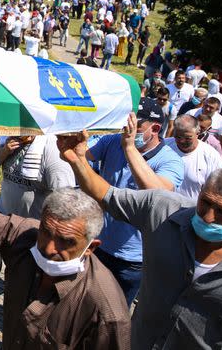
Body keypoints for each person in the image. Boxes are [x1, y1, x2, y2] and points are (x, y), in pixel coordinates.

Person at [57, 132, 222, 349]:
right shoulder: (163, 210)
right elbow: (106, 194)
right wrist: (78, 159)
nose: (208, 217)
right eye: (206, 203)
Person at [0, 137, 131, 349]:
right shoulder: (24, 236)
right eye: (45, 231)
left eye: (66, 241)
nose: (49, 248)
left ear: (91, 248)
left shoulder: (105, 311)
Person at [71, 98, 184, 305]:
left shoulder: (170, 161)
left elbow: (158, 196)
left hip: (132, 259)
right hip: (99, 243)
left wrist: (130, 148)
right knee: (83, 303)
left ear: (156, 128)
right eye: (126, 122)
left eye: (136, 125)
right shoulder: (114, 141)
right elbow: (81, 154)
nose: (128, 128)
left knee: (114, 312)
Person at [0, 134, 76, 316]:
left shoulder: (52, 149)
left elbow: (64, 197)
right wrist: (5, 150)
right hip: (3, 210)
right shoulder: (9, 139)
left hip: (30, 225)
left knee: (26, 270)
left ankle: (27, 308)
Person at [166, 114, 222, 200]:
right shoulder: (163, 146)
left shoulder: (211, 156)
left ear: (198, 133)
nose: (182, 141)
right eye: (178, 137)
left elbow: (219, 189)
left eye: (188, 138)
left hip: (190, 210)